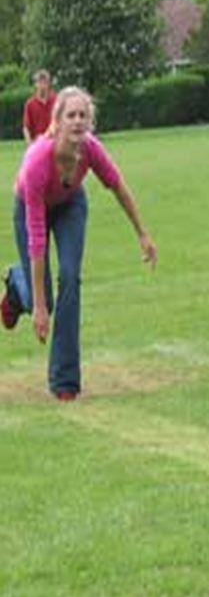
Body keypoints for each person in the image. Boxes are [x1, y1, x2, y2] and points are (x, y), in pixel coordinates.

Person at [0, 87, 157, 401]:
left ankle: (64, 381)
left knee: (71, 277)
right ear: (57, 122)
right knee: (40, 299)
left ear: (90, 122)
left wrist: (142, 233)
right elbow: (37, 242)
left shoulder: (91, 149)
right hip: (31, 211)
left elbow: (118, 187)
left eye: (83, 115)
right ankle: (19, 287)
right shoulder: (36, 165)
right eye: (70, 115)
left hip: (71, 204)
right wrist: (41, 309)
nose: (77, 121)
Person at [21, 70, 57, 144]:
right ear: (35, 84)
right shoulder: (30, 104)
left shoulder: (56, 100)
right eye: (40, 82)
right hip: (38, 143)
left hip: (55, 141)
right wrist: (29, 144)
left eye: (45, 82)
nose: (42, 86)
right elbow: (26, 127)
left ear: (49, 84)